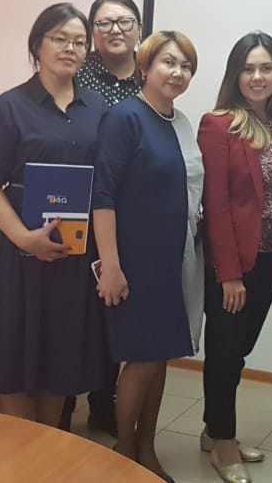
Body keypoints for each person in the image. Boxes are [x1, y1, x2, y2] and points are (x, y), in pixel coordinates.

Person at [0, 3, 111, 425]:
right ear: (37, 45)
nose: (70, 48)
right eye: (59, 39)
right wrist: (24, 238)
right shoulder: (10, 106)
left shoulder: (98, 108)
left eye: (79, 42)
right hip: (18, 250)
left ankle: (49, 439)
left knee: (62, 353)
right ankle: (22, 442)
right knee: (13, 350)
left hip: (74, 253)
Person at [93, 30, 204, 482]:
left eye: (186, 66)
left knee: (159, 358)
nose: (177, 72)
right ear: (145, 67)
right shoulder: (125, 117)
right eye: (168, 63)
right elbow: (103, 196)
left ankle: (146, 446)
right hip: (134, 261)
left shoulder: (179, 122)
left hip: (172, 259)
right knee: (140, 358)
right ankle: (124, 450)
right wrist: (111, 266)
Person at [196, 32, 272, 483]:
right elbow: (215, 204)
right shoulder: (219, 125)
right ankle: (223, 442)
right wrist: (228, 274)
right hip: (234, 263)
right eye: (249, 68)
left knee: (238, 350)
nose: (258, 77)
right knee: (224, 351)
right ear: (235, 75)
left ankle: (213, 429)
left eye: (266, 68)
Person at [63, 0, 143, 435]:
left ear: (138, 29)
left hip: (128, 211)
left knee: (112, 306)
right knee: (73, 307)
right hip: (75, 206)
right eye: (105, 22)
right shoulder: (75, 73)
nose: (115, 30)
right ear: (92, 31)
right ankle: (61, 398)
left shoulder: (151, 75)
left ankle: (102, 400)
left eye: (124, 21)